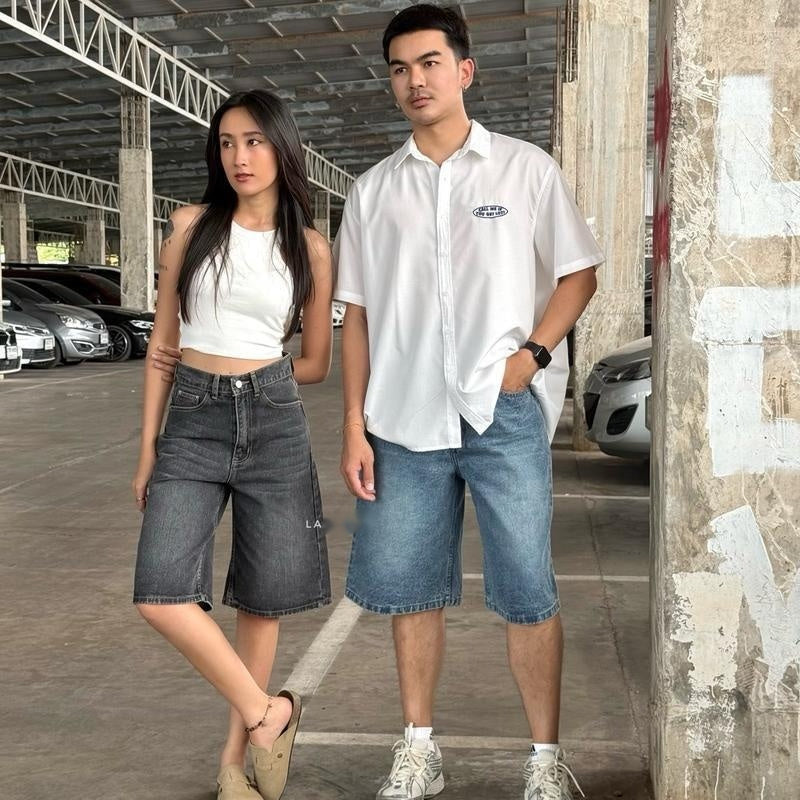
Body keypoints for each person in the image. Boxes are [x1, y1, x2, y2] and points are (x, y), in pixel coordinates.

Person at [334, 5, 602, 800]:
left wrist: (532, 357)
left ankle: (545, 761)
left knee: (527, 590)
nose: (414, 81)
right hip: (402, 419)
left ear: (464, 71)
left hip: (501, 411)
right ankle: (419, 750)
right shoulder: (372, 192)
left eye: (429, 63)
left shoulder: (524, 170)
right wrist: (353, 426)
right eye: (399, 69)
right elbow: (358, 317)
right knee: (411, 590)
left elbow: (578, 272)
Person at [132, 89, 333, 800]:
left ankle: (231, 767)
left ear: (282, 147)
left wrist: (259, 377)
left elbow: (316, 363)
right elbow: (162, 348)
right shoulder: (190, 227)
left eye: (253, 141)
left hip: (273, 418)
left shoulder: (310, 248)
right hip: (192, 418)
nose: (239, 157)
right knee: (160, 591)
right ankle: (267, 712)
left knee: (261, 600)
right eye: (226, 143)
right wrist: (148, 449)